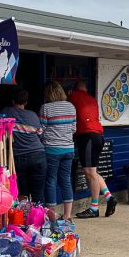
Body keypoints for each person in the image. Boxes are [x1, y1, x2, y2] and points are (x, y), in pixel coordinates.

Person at [68, 81, 117, 219]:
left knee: (90, 173)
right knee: (93, 172)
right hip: (98, 136)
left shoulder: (73, 96)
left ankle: (94, 208)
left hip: (87, 136)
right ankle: (109, 197)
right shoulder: (92, 99)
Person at [39, 81, 76, 221]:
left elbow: (41, 130)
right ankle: (67, 216)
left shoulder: (45, 108)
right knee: (66, 180)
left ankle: (52, 216)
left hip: (52, 150)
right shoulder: (71, 107)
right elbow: (74, 129)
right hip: (69, 149)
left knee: (50, 181)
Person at [0, 88, 46, 203]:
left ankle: (24, 218)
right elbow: (40, 134)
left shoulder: (7, 112)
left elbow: (0, 128)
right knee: (38, 193)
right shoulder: (33, 115)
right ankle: (39, 218)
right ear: (26, 102)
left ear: (12, 101)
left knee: (22, 193)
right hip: (38, 155)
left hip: (18, 158)